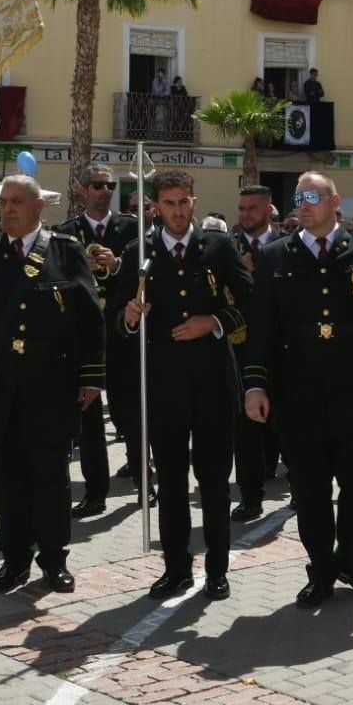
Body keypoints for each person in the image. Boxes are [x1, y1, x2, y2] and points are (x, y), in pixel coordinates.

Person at [244, 171, 353, 607]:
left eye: (313, 197)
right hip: (298, 398)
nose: (304, 205)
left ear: (335, 202)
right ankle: (320, 569)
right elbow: (261, 328)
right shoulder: (276, 256)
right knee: (310, 491)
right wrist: (255, 385)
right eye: (299, 199)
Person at [0, 176, 104, 594]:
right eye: (3, 201)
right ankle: (14, 561)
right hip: (1, 386)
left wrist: (91, 377)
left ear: (38, 206)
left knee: (50, 479)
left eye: (16, 201)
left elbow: (89, 318)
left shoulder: (64, 250)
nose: (8, 209)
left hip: (51, 386)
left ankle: (54, 560)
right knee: (8, 480)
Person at [115, 170, 250, 601]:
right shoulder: (140, 252)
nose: (177, 211)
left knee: (213, 481)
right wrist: (129, 318)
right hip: (164, 386)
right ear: (156, 207)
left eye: (183, 202)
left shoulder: (219, 247)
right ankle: (176, 568)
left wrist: (214, 322)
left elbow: (251, 300)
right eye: (169, 203)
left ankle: (217, 569)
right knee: (171, 483)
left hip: (212, 382)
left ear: (194, 202)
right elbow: (117, 319)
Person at [57, 165, 141, 518]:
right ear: (83, 190)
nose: (105, 191)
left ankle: (143, 481)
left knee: (131, 411)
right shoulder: (66, 232)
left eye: (110, 186)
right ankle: (95, 492)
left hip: (123, 329)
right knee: (89, 416)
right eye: (97, 185)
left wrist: (118, 264)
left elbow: (146, 271)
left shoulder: (132, 228)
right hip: (85, 334)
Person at [228, 186, 280, 521]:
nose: (246, 214)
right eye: (242, 208)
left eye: (253, 208)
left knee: (285, 423)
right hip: (242, 347)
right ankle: (250, 496)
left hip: (283, 347)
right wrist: (242, 272)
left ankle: (300, 490)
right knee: (245, 426)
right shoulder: (228, 250)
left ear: (268, 210)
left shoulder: (289, 245)